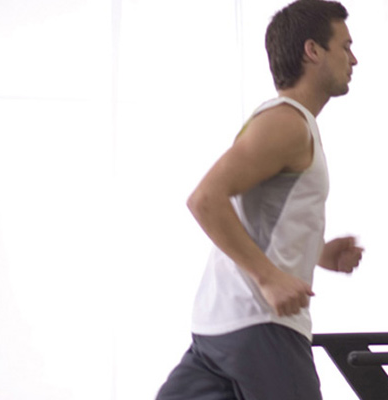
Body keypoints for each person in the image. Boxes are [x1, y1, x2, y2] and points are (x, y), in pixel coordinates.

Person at [156, 0, 360, 399]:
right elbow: (205, 199)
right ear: (313, 50)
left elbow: (259, 217)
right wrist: (268, 278)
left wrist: (318, 252)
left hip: (218, 329)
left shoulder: (289, 123)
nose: (354, 59)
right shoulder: (287, 123)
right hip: (261, 326)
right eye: (345, 46)